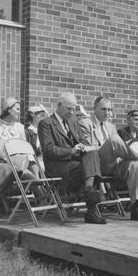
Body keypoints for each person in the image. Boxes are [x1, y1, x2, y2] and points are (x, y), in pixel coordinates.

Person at [66, 96, 138, 222]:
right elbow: (88, 148)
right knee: (114, 141)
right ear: (94, 109)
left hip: (113, 164)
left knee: (135, 165)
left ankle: (135, 208)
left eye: (109, 110)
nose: (107, 113)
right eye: (103, 109)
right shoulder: (85, 123)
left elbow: (118, 148)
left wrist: (115, 148)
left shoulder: (110, 126)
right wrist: (110, 146)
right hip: (97, 163)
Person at [38, 93, 107, 224]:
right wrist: (72, 151)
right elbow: (49, 149)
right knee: (92, 169)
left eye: (73, 109)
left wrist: (83, 146)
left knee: (92, 154)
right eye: (68, 108)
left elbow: (83, 141)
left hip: (76, 164)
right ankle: (91, 206)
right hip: (58, 166)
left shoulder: (73, 122)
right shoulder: (46, 124)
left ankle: (88, 190)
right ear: (59, 106)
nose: (71, 112)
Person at [25, 104, 48, 175]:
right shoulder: (27, 132)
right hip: (34, 162)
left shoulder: (46, 131)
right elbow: (27, 152)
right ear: (33, 116)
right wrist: (39, 150)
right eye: (41, 116)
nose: (43, 119)